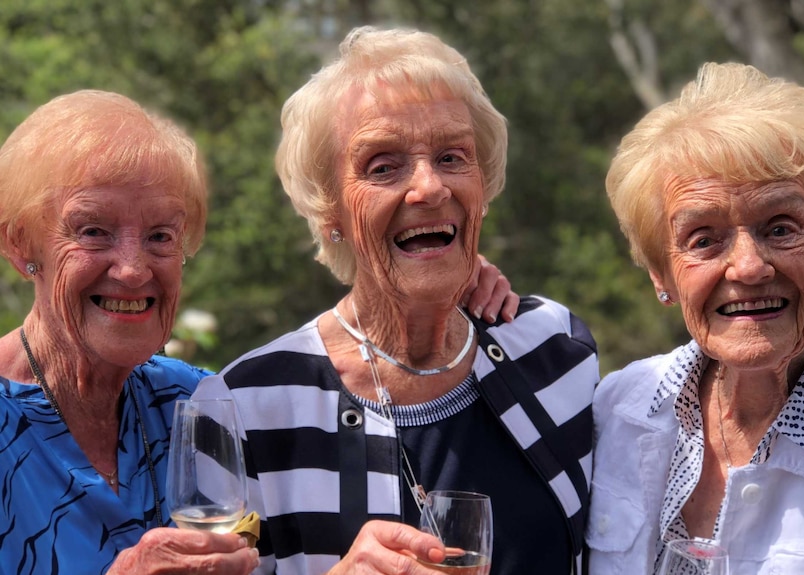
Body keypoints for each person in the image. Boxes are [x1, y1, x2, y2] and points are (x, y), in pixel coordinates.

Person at [0, 89, 514, 575]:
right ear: (21, 243)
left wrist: (436, 274)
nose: (133, 269)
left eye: (161, 235)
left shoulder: (197, 404)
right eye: (93, 231)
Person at [193, 26, 599, 575]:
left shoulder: (555, 349)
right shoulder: (246, 409)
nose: (430, 188)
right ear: (329, 209)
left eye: (453, 156)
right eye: (384, 166)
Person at [586, 62, 804, 573]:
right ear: (662, 276)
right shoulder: (616, 409)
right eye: (704, 240)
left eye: (780, 228)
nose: (750, 267)